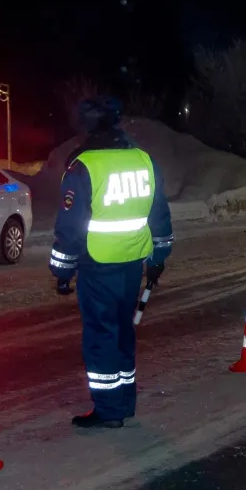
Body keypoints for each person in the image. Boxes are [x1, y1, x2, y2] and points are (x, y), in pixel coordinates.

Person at [48, 97, 173, 429]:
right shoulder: (143, 160)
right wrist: (159, 255)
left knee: (101, 334)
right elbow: (158, 211)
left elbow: (70, 226)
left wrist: (62, 269)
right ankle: (125, 400)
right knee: (122, 331)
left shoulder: (84, 166)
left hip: (98, 262)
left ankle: (108, 409)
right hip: (132, 259)